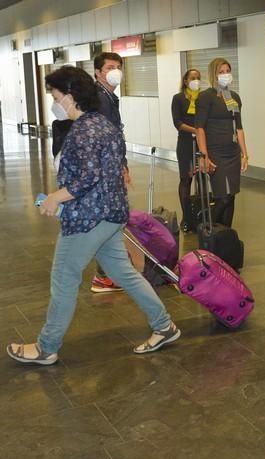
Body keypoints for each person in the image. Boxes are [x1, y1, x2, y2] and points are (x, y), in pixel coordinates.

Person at [6, 66, 180, 366]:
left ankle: (46, 347)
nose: (54, 102)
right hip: (111, 214)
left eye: (55, 95)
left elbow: (86, 178)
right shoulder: (103, 124)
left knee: (63, 277)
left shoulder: (84, 130)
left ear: (70, 97)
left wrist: (53, 199)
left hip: (89, 219)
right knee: (124, 273)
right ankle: (164, 326)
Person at [195, 57, 249, 229]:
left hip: (232, 152)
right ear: (213, 74)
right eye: (221, 72)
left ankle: (225, 234)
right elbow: (199, 129)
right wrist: (204, 155)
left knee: (231, 195)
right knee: (222, 196)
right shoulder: (206, 97)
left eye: (227, 71)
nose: (225, 75)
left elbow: (239, 128)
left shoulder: (233, 97)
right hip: (215, 152)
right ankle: (207, 229)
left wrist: (244, 154)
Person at [90, 52, 126, 293]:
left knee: (111, 220)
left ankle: (107, 273)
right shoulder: (99, 100)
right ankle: (103, 276)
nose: (116, 71)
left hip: (111, 166)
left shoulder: (110, 97)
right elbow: (104, 138)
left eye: (119, 67)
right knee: (108, 220)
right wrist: (116, 167)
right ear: (98, 73)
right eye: (110, 67)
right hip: (105, 170)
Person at [171, 68, 201, 232]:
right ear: (185, 81)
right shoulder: (178, 99)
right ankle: (186, 217)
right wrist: (196, 130)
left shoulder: (202, 98)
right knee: (186, 179)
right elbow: (178, 123)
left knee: (202, 180)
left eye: (198, 78)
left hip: (202, 144)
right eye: (192, 78)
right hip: (185, 144)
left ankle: (200, 214)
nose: (196, 80)